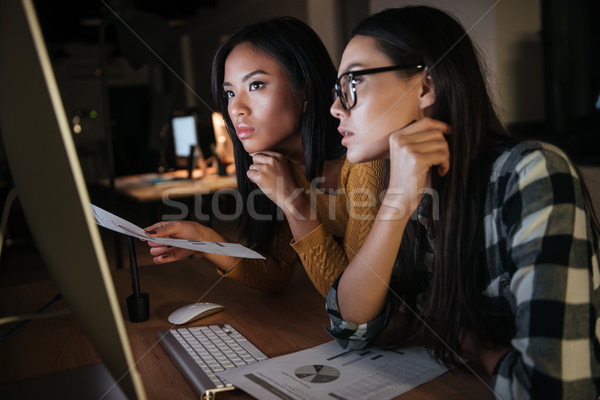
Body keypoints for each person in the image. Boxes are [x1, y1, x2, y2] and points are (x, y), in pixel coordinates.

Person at [326, 6, 600, 399]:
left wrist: (481, 347)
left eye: (352, 83)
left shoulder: (530, 174)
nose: (336, 107)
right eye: (337, 91)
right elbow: (348, 327)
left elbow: (556, 390)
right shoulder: (408, 187)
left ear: (425, 87)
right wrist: (396, 204)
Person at [144, 17, 385, 298]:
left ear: (304, 89)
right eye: (230, 93)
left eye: (256, 85)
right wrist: (202, 239)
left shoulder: (364, 159)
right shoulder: (281, 166)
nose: (236, 109)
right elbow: (275, 272)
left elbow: (353, 300)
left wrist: (292, 200)